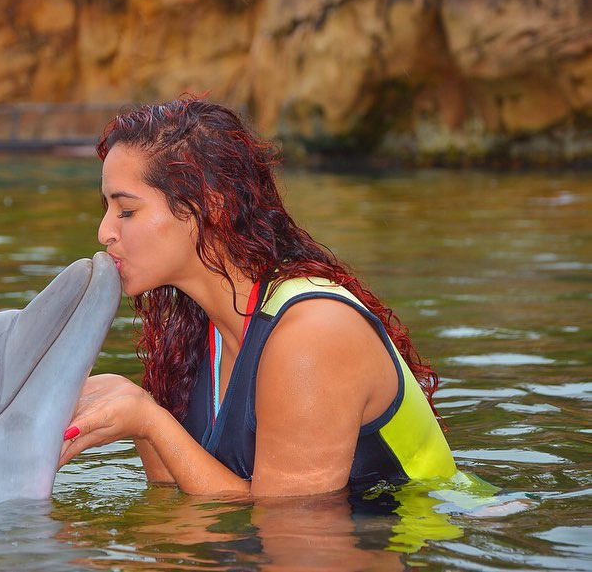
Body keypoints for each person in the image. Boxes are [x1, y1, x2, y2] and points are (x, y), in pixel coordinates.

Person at [58, 97, 457, 497]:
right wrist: (137, 412)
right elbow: (176, 497)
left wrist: (149, 421)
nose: (105, 231)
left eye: (126, 210)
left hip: (426, 537)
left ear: (210, 205)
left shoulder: (313, 334)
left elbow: (285, 528)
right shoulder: (202, 327)